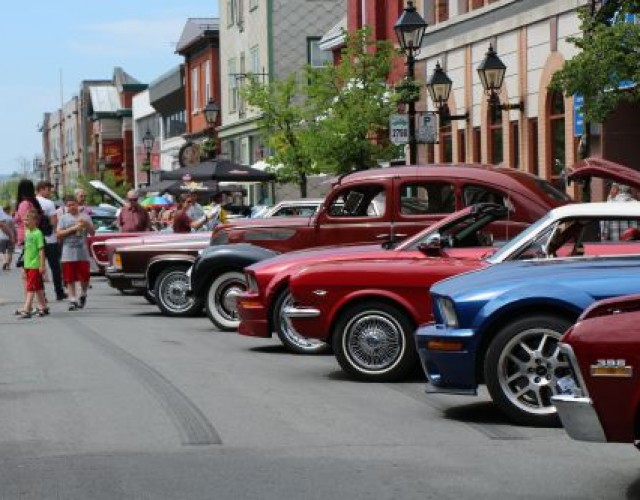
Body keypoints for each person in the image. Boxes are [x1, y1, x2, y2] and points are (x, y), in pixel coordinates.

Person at [57, 194, 95, 310]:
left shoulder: (85, 216)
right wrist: (73, 229)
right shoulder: (64, 218)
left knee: (84, 278)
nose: (71, 207)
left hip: (82, 253)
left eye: (73, 204)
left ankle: (83, 294)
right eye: (68, 205)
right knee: (70, 278)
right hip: (68, 253)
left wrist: (86, 224)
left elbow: (92, 232)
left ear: (77, 205)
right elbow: (58, 234)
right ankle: (72, 299)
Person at [36, 180, 66, 300]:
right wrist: (56, 234)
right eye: (48, 190)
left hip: (37, 240)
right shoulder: (48, 203)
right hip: (50, 239)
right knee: (55, 267)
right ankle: (59, 292)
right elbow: (54, 221)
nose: (50, 192)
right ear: (42, 189)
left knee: (38, 268)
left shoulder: (31, 202)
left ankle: (42, 294)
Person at [15, 209, 48, 319]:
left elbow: (41, 250)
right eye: (24, 220)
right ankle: (43, 307)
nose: (25, 222)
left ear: (35, 221)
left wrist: (42, 265)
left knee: (30, 287)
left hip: (35, 265)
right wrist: (24, 265)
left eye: (28, 220)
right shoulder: (27, 232)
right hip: (28, 264)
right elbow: (26, 249)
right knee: (37, 287)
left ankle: (27, 309)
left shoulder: (38, 233)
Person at [13, 179, 44, 247]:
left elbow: (27, 223)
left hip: (27, 240)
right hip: (32, 239)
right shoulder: (33, 203)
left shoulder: (24, 204)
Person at [0, 204, 16, 270]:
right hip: (10, 237)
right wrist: (14, 236)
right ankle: (8, 266)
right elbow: (13, 228)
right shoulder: (10, 218)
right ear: (8, 210)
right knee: (10, 252)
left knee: (1, 251)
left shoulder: (2, 217)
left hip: (2, 237)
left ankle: (4, 261)